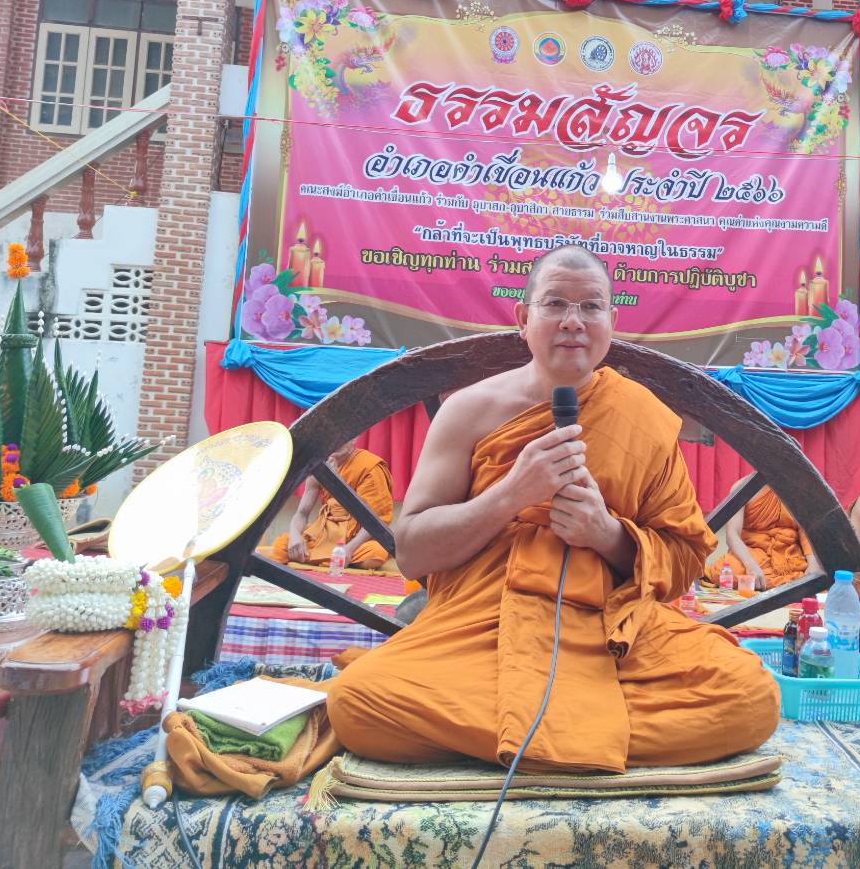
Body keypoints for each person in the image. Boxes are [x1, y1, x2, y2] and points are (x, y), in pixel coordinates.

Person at [327, 244, 779, 772]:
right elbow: (412, 552)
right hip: (483, 629)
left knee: (751, 697)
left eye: (590, 306)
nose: (573, 321)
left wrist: (606, 533)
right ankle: (584, 740)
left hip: (612, 632)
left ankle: (528, 739)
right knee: (358, 702)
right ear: (523, 319)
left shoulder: (645, 417)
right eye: (555, 304)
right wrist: (510, 495)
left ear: (612, 322)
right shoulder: (468, 411)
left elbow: (684, 561)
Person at [262, 439, 394, 569]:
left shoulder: (369, 466)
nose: (336, 443)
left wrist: (349, 548)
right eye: (332, 437)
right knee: (282, 545)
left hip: (356, 538)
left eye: (342, 437)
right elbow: (302, 513)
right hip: (325, 535)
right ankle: (335, 559)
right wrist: (295, 534)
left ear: (354, 438)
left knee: (375, 554)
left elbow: (375, 520)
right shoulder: (320, 465)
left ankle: (329, 557)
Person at [703, 474, 821, 590]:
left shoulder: (798, 488)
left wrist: (813, 564)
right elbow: (732, 535)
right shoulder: (743, 487)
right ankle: (789, 583)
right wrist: (751, 566)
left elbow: (805, 531)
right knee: (727, 571)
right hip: (754, 553)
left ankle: (767, 582)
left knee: (815, 572)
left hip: (788, 554)